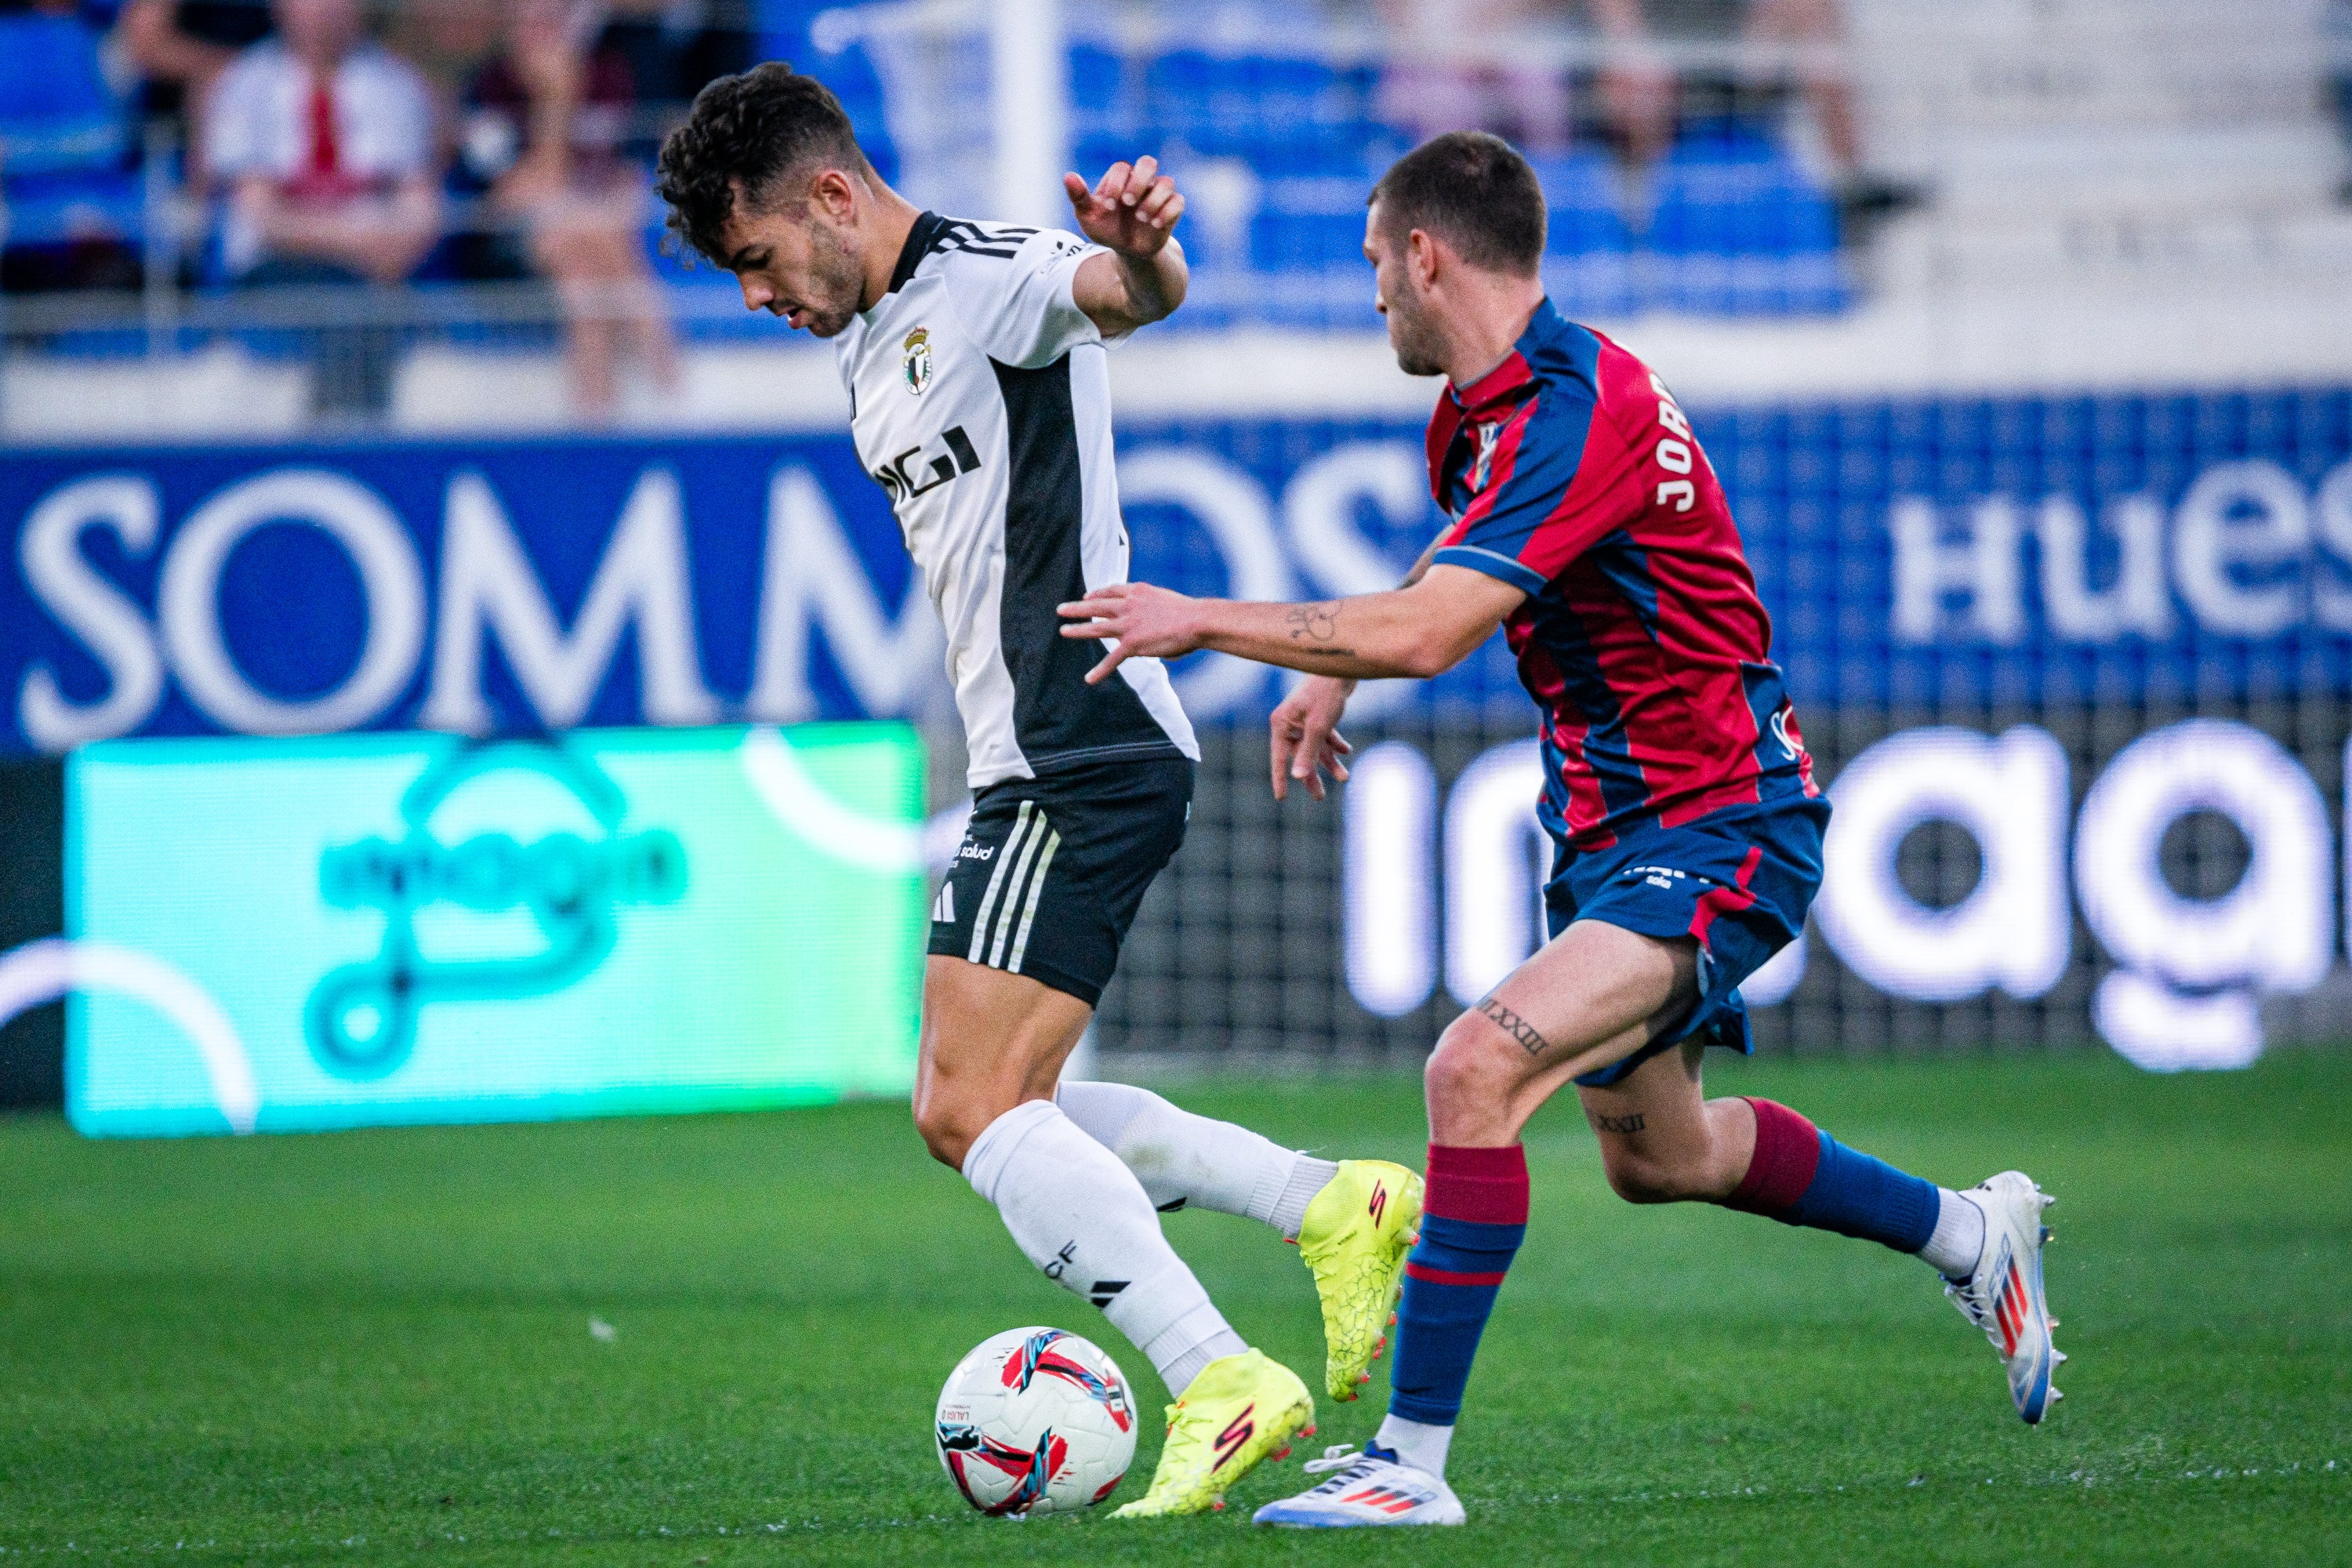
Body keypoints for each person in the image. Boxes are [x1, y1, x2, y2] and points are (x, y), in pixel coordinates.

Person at [1057, 130, 2061, 1528]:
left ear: (1426, 254)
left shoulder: (1582, 408)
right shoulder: (1482, 417)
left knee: (1473, 1071)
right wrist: (1335, 662)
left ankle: (1408, 1470)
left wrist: (1204, 617)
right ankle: (1968, 1230)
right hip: (1610, 830)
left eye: (1374, 269)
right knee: (1663, 1157)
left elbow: (1432, 631)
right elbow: (1451, 578)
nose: (1373, 302)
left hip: (1719, 822)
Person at [652, 64, 1425, 1518]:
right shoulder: (867, 343)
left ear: (830, 196)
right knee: (1019, 1105)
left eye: (756, 260)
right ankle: (1330, 1203)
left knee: (962, 1104)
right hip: (1052, 753)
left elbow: (1127, 294)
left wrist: (1140, 247)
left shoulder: (991, 276)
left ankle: (1216, 1373)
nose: (757, 296)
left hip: (1077, 746)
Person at [204, 0, 439, 416]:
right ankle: (339, 445)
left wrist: (393, 248)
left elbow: (420, 209)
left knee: (365, 302)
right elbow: (263, 219)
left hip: (378, 269)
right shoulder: (243, 84)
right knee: (350, 306)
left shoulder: (398, 85)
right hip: (277, 267)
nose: (324, 9)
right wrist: (361, 245)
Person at [456, 0, 679, 420]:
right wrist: (556, 103)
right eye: (531, 22)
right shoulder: (488, 91)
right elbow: (511, 199)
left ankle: (601, 426)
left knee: (585, 281)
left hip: (587, 246)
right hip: (506, 256)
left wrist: (602, 201)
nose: (543, 36)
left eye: (553, 21)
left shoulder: (609, 75)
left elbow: (629, 176)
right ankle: (674, 402)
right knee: (595, 249)